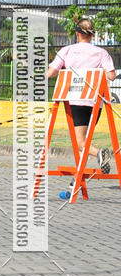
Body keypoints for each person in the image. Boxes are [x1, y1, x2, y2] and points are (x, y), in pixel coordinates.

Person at [47, 16, 115, 172]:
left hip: (75, 102)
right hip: (94, 102)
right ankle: (76, 182)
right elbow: (111, 76)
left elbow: (50, 73)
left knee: (80, 142)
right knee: (82, 142)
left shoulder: (66, 51)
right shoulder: (101, 53)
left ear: (77, 34)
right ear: (91, 35)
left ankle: (99, 153)